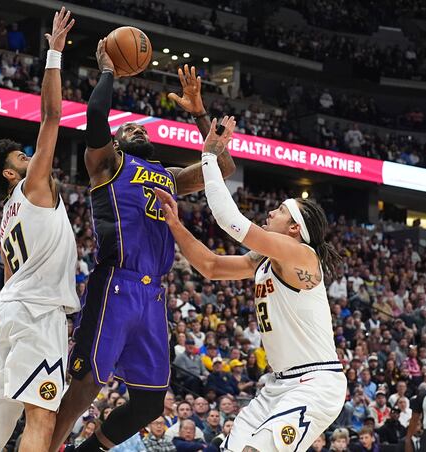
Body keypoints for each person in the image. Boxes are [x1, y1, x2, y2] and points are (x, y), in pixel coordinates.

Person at [50, 44, 235, 451]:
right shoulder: (108, 165)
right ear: (115, 143)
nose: (139, 131)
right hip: (115, 283)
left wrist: (200, 114)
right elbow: (97, 116)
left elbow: (220, 168)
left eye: (143, 130)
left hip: (153, 295)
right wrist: (107, 71)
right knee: (85, 388)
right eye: (130, 130)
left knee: (150, 403)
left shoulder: (168, 175)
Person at [155, 116, 347, 451]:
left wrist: (209, 157)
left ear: (294, 229)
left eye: (279, 211)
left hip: (315, 382)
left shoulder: (301, 255)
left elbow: (232, 222)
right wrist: (174, 223)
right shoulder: (265, 261)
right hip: (277, 384)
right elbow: (212, 266)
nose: (270, 213)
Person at [0, 8, 78, 452]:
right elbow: (52, 116)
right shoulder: (34, 186)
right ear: (13, 175)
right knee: (42, 416)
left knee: (5, 414)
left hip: (13, 309)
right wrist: (54, 53)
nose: (29, 156)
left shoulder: (7, 217)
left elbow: (10, 274)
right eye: (21, 156)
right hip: (37, 315)